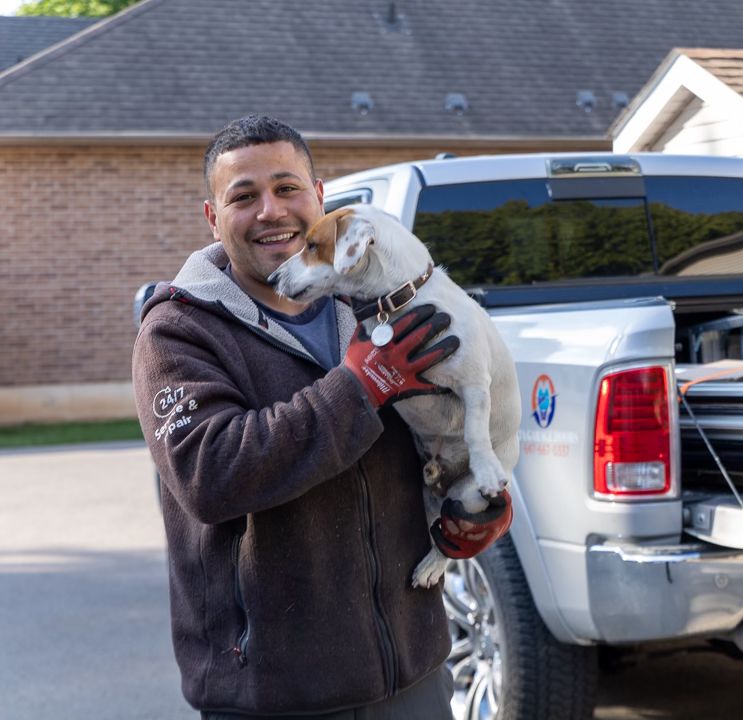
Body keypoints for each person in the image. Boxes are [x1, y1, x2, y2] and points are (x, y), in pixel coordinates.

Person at [132, 114, 511, 719]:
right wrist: (358, 387)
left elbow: (437, 438)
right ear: (213, 217)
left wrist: (473, 500)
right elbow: (211, 476)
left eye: (287, 188)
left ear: (320, 198)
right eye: (243, 196)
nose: (270, 211)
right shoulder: (178, 333)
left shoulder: (378, 309)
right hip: (274, 694)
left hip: (413, 672)